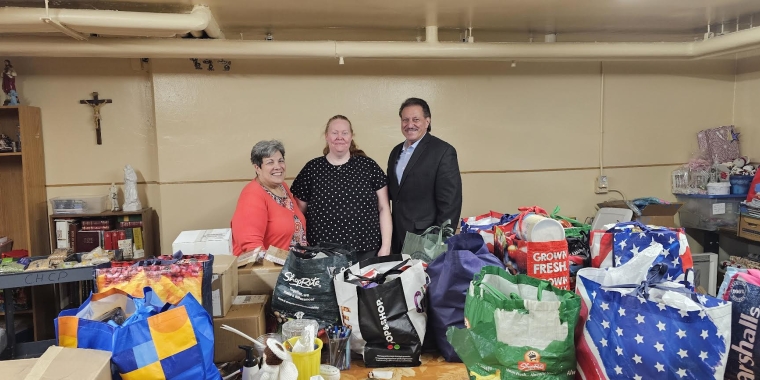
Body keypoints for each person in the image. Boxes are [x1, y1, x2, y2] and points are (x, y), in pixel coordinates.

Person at [291, 115, 391, 261]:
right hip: (323, 254)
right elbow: (298, 214)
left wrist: (386, 246)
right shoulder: (312, 169)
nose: (340, 137)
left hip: (367, 250)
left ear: (351, 136)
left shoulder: (369, 166)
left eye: (344, 133)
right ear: (326, 136)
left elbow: (384, 208)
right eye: (334, 132)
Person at [387, 97, 462, 254]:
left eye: (416, 119)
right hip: (397, 236)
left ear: (427, 121)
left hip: (427, 239)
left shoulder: (443, 151)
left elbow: (450, 204)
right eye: (405, 120)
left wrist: (439, 241)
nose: (410, 125)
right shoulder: (395, 152)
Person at [231, 140, 307, 258]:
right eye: (270, 162)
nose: (278, 167)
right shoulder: (252, 195)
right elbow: (252, 246)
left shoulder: (282, 187)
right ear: (257, 168)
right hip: (273, 271)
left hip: (293, 266)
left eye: (280, 161)